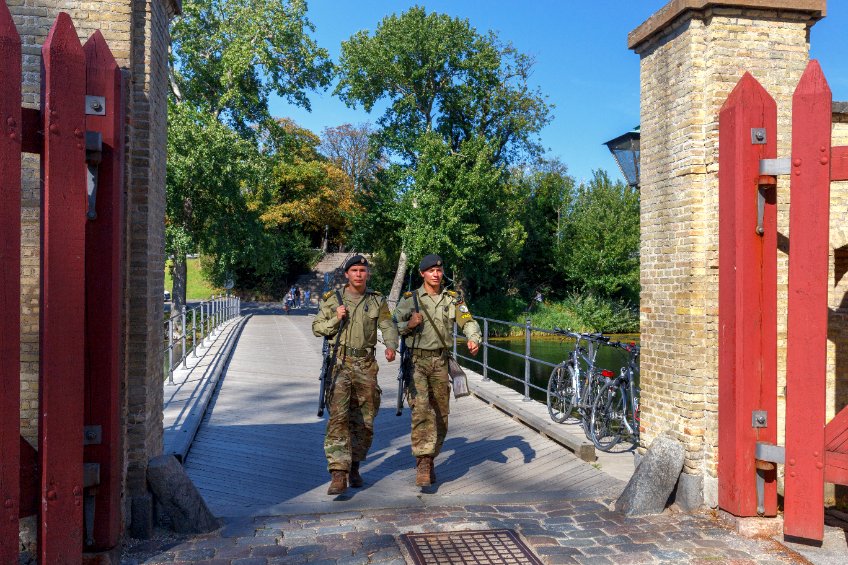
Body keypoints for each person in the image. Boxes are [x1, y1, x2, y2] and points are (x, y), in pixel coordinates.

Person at [312, 255, 399, 495]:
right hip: (340, 363)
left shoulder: (377, 300)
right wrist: (335, 319)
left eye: (363, 270)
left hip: (367, 364)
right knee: (338, 418)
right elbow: (317, 327)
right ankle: (338, 473)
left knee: (365, 420)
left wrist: (391, 345)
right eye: (355, 270)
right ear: (347, 274)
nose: (359, 274)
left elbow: (388, 325)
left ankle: (355, 466)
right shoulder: (333, 300)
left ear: (367, 274)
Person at [393, 254, 482, 487]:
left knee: (442, 415)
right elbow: (392, 327)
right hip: (417, 363)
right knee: (421, 410)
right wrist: (408, 325)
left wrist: (473, 337)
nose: (436, 274)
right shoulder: (409, 299)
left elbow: (467, 320)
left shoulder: (452, 299)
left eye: (439, 271)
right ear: (422, 273)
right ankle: (422, 462)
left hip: (441, 363)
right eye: (431, 270)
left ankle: (430, 458)